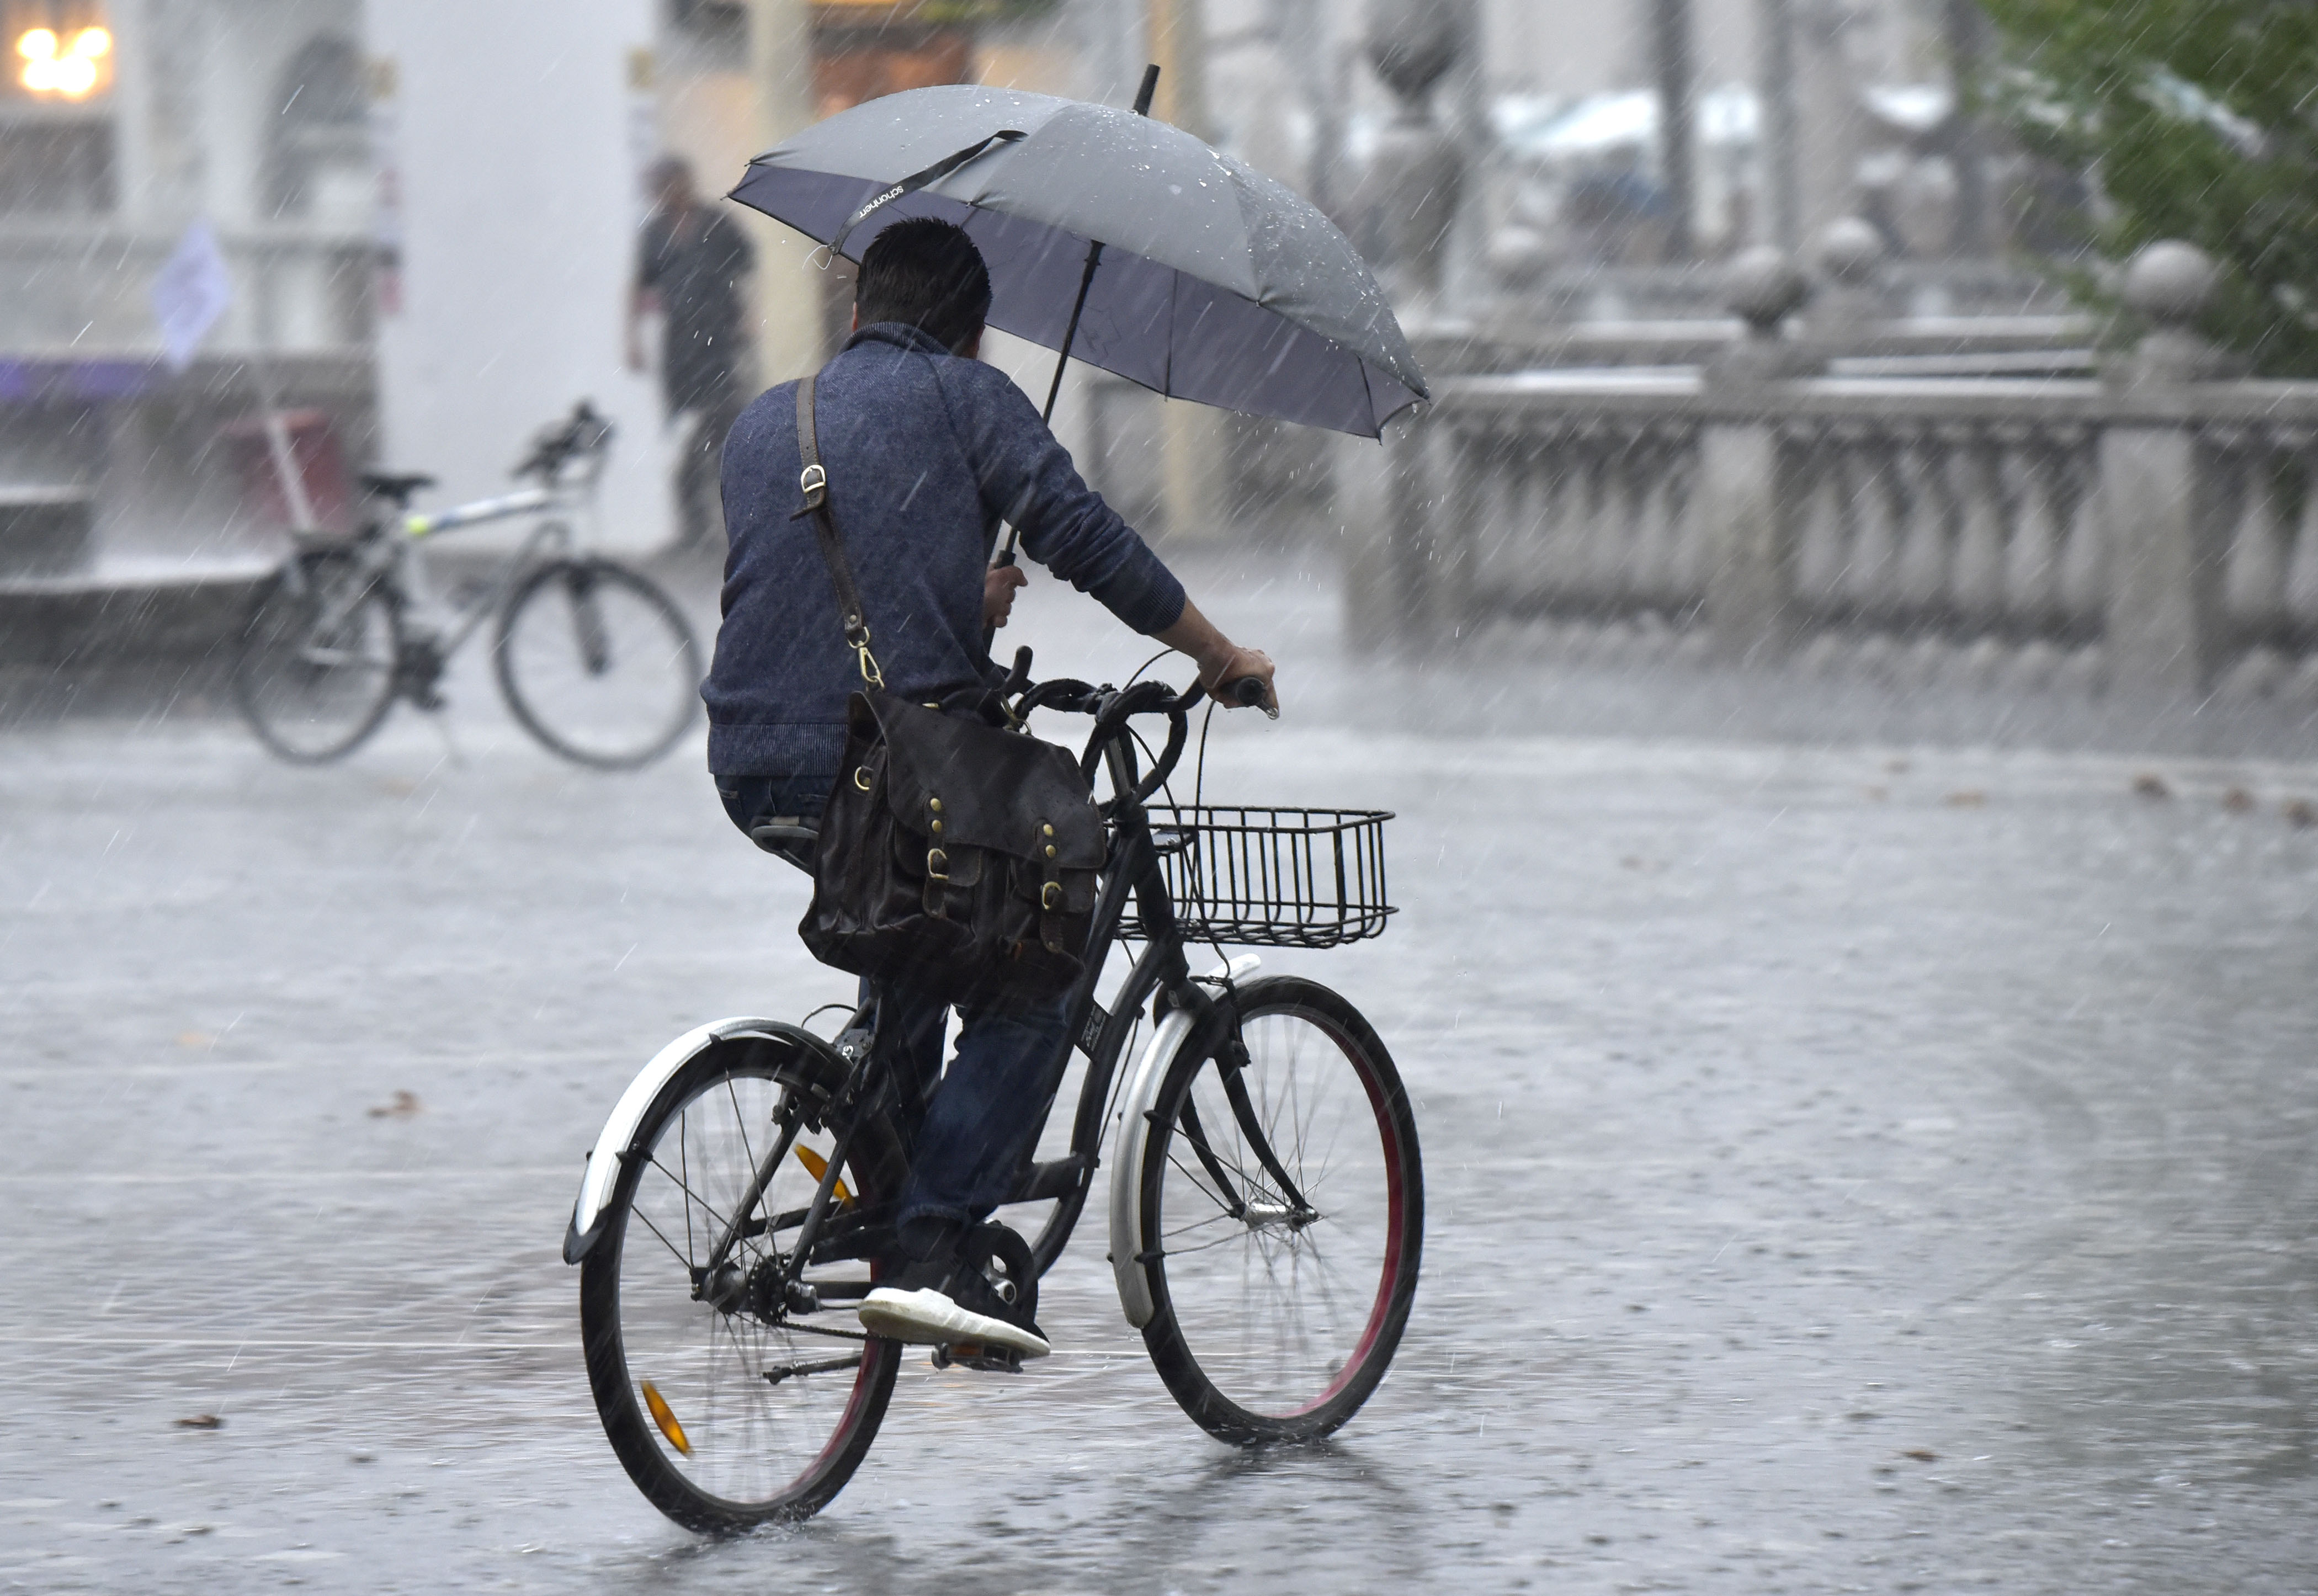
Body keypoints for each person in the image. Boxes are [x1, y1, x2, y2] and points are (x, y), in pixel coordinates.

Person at [705, 218, 1275, 1359]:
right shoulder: (972, 400)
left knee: (928, 928)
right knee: (1046, 950)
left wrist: (965, 601)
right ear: (973, 335)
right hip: (886, 765)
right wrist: (1217, 655)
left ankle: (891, 1170)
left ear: (858, 316)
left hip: (753, 762)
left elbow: (812, 594)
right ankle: (932, 1240)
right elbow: (1092, 541)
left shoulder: (769, 421)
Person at [627, 155, 755, 549]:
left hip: (721, 339)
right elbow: (638, 286)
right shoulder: (653, 234)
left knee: (725, 429)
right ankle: (694, 528)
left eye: (669, 184)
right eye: (658, 187)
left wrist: (749, 319)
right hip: (680, 346)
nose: (664, 194)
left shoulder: (716, 224)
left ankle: (737, 520)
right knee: (686, 436)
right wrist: (630, 338)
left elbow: (745, 267)